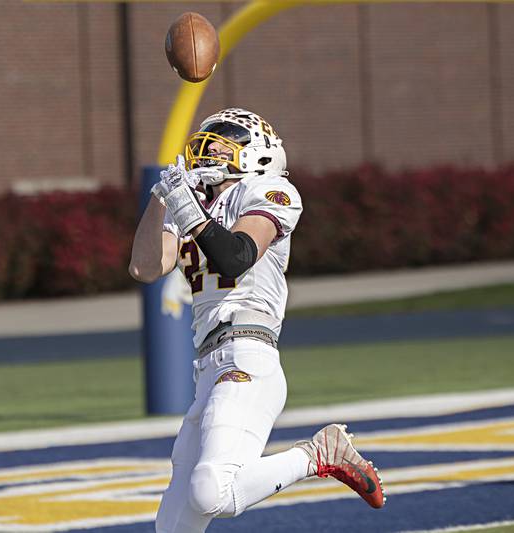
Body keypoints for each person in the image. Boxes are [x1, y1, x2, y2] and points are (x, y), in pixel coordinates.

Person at [129, 108, 385, 533]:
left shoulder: (270, 190)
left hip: (248, 355)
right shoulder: (190, 201)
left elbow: (236, 255)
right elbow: (144, 267)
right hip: (209, 368)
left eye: (221, 144)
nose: (207, 152)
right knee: (173, 527)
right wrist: (160, 198)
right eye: (205, 144)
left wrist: (188, 210)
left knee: (212, 491)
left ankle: (319, 453)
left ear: (257, 153)